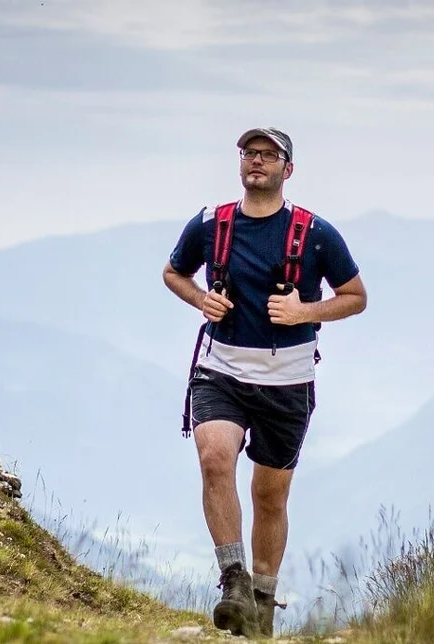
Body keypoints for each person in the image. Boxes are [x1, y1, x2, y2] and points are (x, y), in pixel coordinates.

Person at [161, 127, 368, 637]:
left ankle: (261, 604)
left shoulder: (315, 232)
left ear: (287, 169)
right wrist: (199, 299)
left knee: (270, 497)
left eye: (268, 155)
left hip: (288, 381)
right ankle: (233, 579)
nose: (256, 161)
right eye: (249, 153)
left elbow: (355, 295)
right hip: (221, 368)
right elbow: (173, 272)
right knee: (214, 459)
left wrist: (305, 311)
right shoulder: (210, 224)